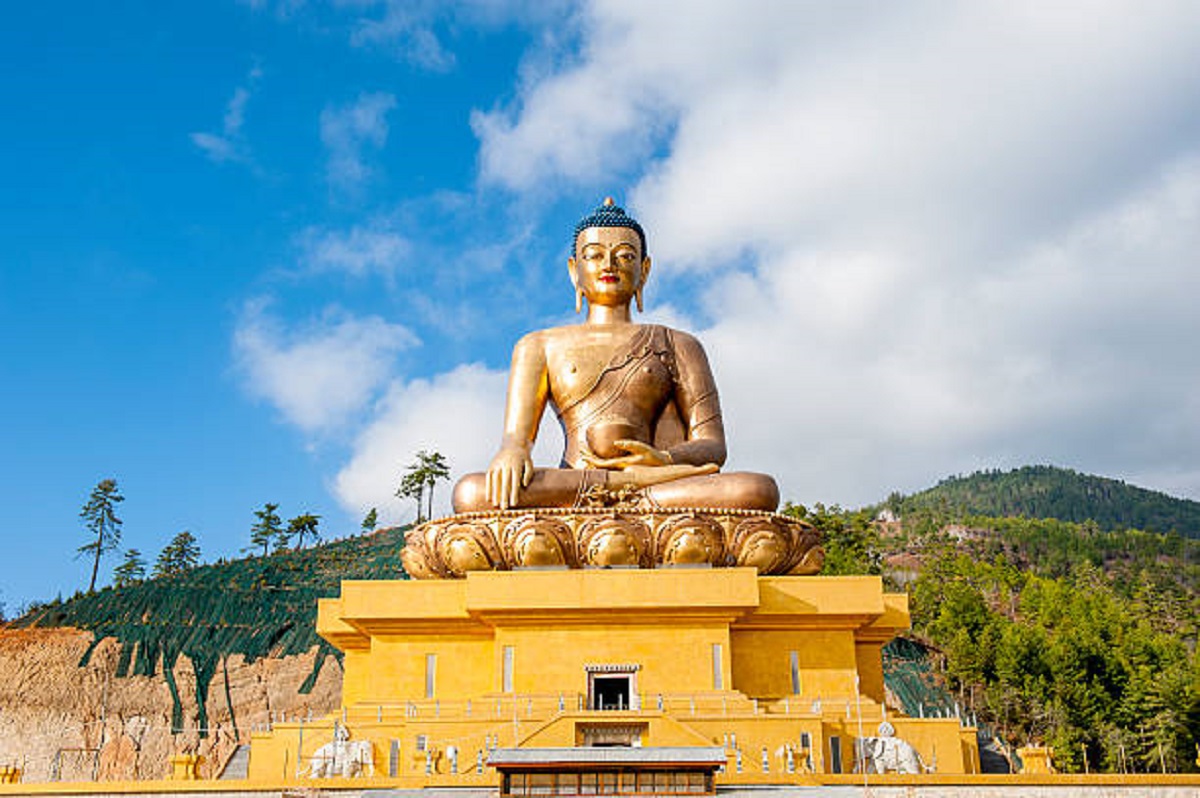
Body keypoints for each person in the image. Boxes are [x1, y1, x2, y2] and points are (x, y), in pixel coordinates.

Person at [452, 198, 778, 513]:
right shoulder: (538, 345)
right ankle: (621, 490)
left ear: (644, 270)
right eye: (594, 255)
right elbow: (515, 439)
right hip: (577, 480)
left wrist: (662, 461)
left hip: (658, 484)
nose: (609, 265)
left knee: (754, 490)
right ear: (573, 270)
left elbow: (712, 446)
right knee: (471, 493)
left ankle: (624, 495)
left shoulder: (678, 343)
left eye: (624, 255)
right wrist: (511, 452)